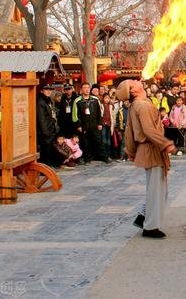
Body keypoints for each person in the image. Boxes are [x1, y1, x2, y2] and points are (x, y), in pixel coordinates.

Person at [117, 80, 176, 239]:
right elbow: (149, 131)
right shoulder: (142, 106)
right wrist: (166, 144)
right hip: (152, 149)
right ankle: (150, 227)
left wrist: (130, 150)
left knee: (157, 189)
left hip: (149, 149)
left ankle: (143, 217)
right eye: (133, 82)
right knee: (156, 190)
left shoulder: (138, 104)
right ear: (134, 91)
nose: (137, 81)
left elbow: (129, 132)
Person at [72, 83, 105, 163]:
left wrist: (100, 123)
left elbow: (99, 112)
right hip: (84, 125)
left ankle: (103, 157)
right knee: (86, 143)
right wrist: (78, 125)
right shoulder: (77, 101)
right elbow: (75, 115)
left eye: (88, 88)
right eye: (84, 88)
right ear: (81, 90)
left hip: (94, 124)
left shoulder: (95, 99)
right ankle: (87, 158)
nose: (86, 89)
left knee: (99, 141)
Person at [37, 84, 59, 167]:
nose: (49, 91)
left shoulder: (49, 100)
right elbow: (41, 118)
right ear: (42, 91)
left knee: (49, 149)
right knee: (45, 150)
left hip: (51, 128)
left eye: (50, 90)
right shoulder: (41, 102)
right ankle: (44, 167)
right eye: (46, 89)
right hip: (45, 131)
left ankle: (49, 165)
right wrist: (45, 132)